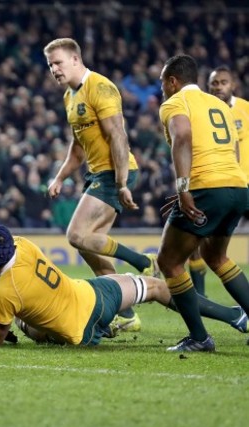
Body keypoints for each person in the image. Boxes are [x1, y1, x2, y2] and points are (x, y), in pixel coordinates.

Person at [0, 224, 247, 347]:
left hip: (79, 333)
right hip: (96, 296)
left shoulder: (5, 291)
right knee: (158, 288)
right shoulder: (22, 244)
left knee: (25, 322)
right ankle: (234, 316)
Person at [43, 38, 159, 332]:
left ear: (74, 59)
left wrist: (122, 181)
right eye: (50, 65)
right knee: (90, 247)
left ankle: (144, 262)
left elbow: (118, 135)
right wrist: (59, 177)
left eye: (58, 63)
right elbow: (77, 147)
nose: (54, 69)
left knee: (76, 235)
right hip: (97, 174)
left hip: (114, 173)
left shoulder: (101, 87)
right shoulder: (70, 96)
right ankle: (128, 314)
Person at [156, 54, 249, 352]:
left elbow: (182, 135)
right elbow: (231, 148)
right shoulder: (219, 104)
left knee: (169, 262)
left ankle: (199, 338)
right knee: (217, 257)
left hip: (207, 188)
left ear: (173, 81)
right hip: (237, 186)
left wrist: (185, 186)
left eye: (162, 83)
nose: (161, 89)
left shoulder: (174, 103)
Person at [187, 66, 249, 298]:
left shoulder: (246, 109)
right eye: (214, 83)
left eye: (223, 82)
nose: (218, 87)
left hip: (244, 185)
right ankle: (201, 299)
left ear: (233, 85)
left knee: (213, 254)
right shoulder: (201, 111)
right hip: (214, 185)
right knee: (195, 245)